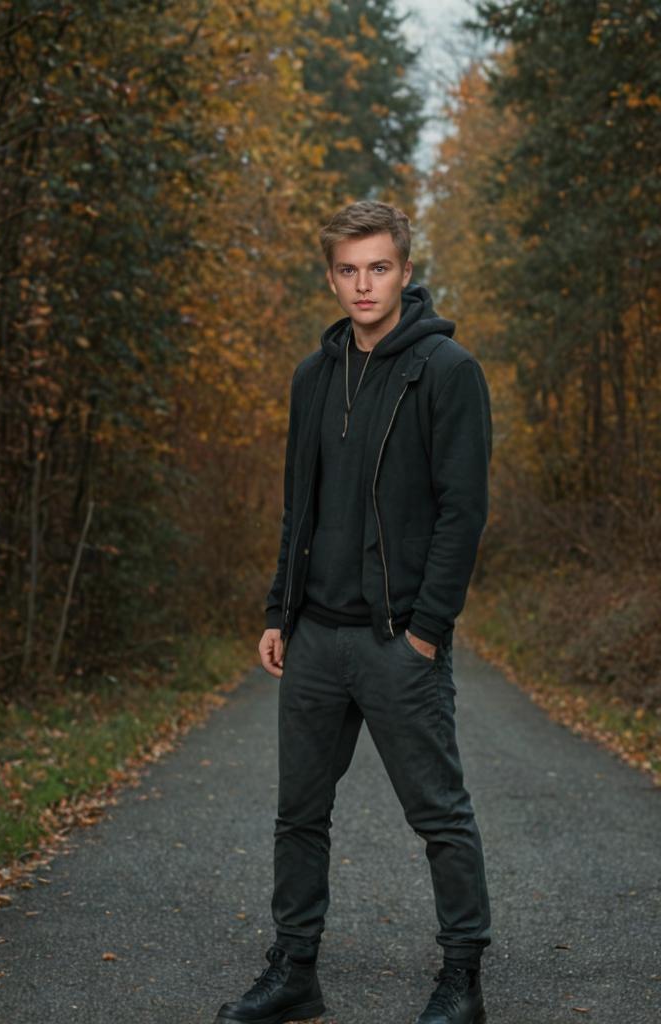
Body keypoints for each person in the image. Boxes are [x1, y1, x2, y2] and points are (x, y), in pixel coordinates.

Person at [214, 200, 492, 1024]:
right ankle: (295, 971)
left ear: (406, 270)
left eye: (378, 267)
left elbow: (462, 512)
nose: (363, 284)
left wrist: (427, 632)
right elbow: (300, 504)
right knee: (298, 814)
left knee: (439, 814)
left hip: (396, 643)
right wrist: (278, 610)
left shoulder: (446, 370)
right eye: (347, 269)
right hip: (315, 641)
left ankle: (463, 980)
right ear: (331, 275)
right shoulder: (314, 374)